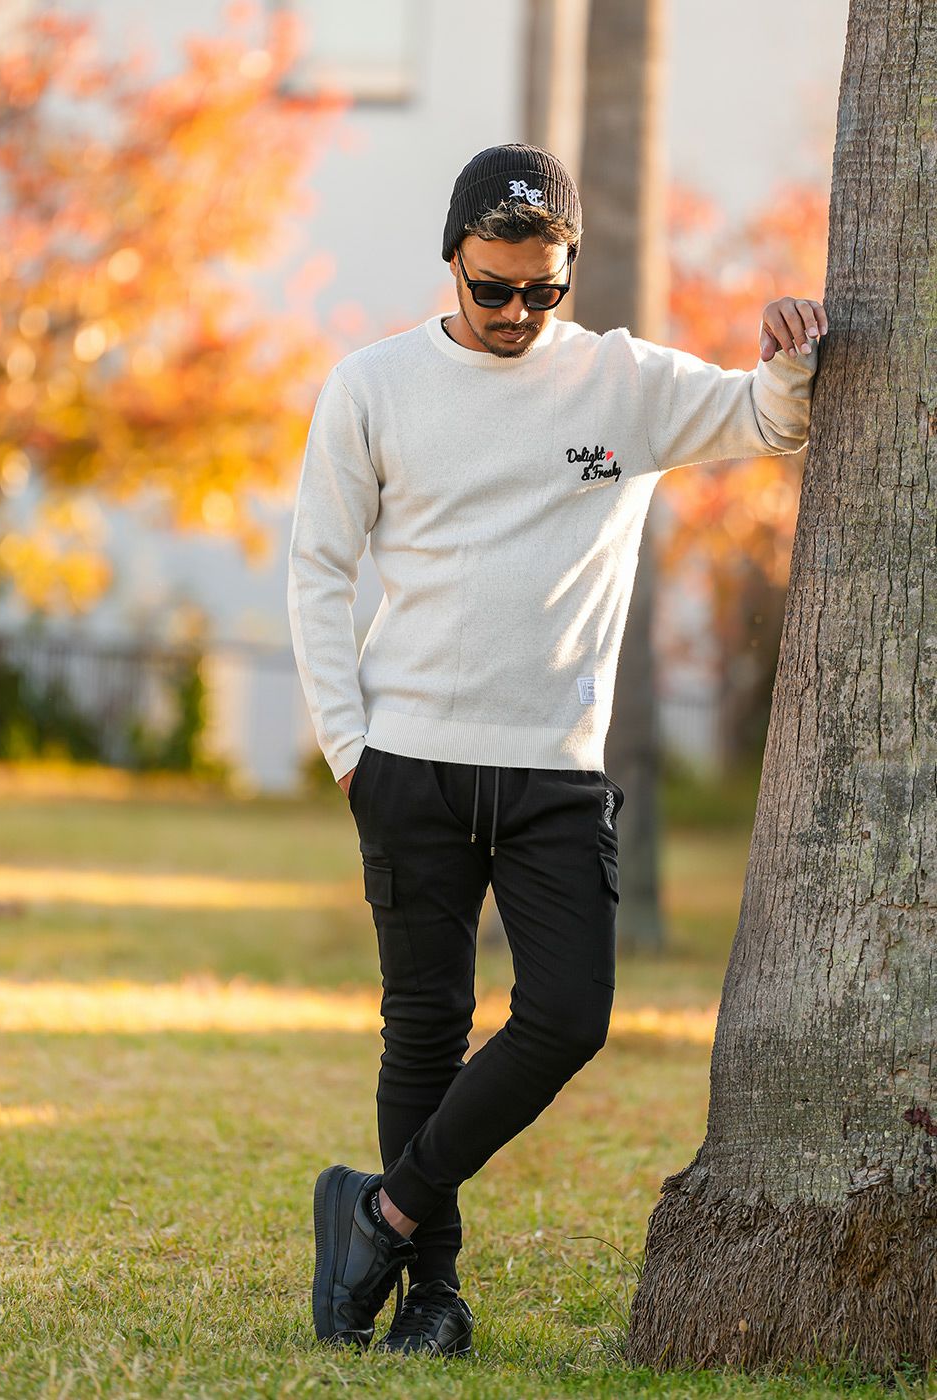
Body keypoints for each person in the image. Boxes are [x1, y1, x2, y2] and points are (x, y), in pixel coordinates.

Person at [287, 143, 826, 1357]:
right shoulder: (371, 386)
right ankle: (430, 1295)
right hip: (409, 763)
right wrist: (349, 750)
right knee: (423, 1029)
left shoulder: (621, 381)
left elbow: (765, 417)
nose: (517, 312)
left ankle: (378, 1212)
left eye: (543, 289)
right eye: (493, 288)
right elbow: (318, 567)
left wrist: (789, 354)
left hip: (554, 772)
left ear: (568, 271)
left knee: (570, 1013)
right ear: (453, 260)